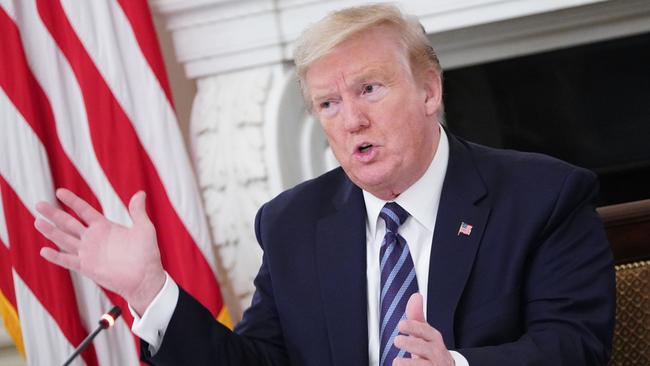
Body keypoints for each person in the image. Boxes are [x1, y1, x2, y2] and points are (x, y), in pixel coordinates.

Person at [34, 4, 615, 366]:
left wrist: (455, 365)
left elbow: (574, 346)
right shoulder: (292, 223)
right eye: (328, 103)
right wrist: (149, 292)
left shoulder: (542, 195)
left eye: (369, 90)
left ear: (429, 91)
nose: (351, 120)